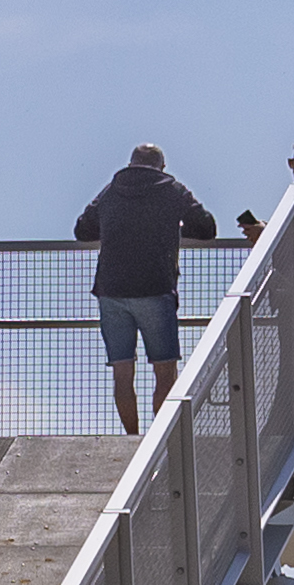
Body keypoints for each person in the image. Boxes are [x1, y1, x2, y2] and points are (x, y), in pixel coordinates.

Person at [71, 142, 215, 436]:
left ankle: (132, 439)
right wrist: (170, 228)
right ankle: (159, 442)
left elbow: (83, 229)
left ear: (131, 163)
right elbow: (206, 227)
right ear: (161, 166)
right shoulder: (172, 188)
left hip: (111, 290)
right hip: (155, 287)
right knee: (165, 372)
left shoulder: (111, 189)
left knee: (122, 373)